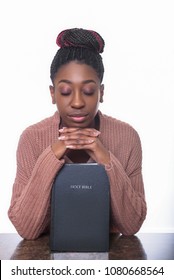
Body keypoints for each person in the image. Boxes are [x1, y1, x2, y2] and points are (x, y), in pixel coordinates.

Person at [8, 28, 147, 240]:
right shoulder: (32, 138)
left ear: (101, 92)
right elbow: (26, 230)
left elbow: (131, 225)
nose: (77, 102)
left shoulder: (127, 137)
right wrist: (52, 155)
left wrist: (106, 158)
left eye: (89, 91)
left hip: (107, 259)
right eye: (65, 91)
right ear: (52, 94)